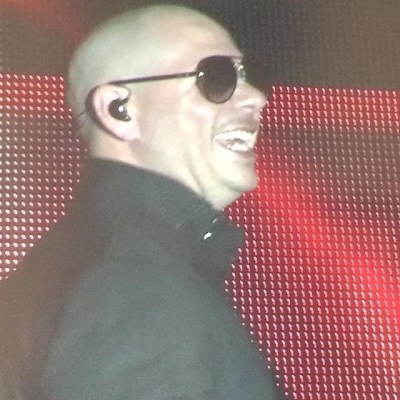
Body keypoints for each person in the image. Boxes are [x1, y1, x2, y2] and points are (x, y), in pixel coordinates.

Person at [0, 4, 287, 399]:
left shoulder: (99, 263)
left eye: (246, 76)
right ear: (119, 110)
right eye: (217, 76)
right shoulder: (135, 285)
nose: (256, 97)